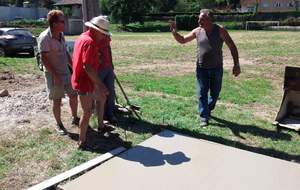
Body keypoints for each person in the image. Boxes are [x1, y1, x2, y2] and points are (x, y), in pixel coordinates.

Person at [169, 9, 241, 127]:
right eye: (199, 18)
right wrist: (174, 32)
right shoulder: (197, 31)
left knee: (215, 93)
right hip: (201, 68)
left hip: (216, 68)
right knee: (202, 93)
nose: (199, 21)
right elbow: (182, 40)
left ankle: (207, 108)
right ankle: (204, 117)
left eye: (201, 19)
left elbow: (232, 47)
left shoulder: (220, 30)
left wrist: (236, 64)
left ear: (210, 20)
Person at [71, 15, 115, 150]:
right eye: (103, 33)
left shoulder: (83, 36)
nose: (104, 37)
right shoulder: (89, 42)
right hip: (83, 81)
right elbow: (87, 67)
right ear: (96, 30)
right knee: (87, 111)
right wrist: (101, 84)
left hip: (86, 79)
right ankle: (82, 141)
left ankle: (101, 126)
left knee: (102, 98)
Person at [38, 10, 80, 135]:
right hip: (53, 74)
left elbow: (65, 52)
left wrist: (73, 67)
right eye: (62, 21)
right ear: (55, 23)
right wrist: (56, 76)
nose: (65, 24)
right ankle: (59, 124)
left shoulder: (61, 35)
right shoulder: (45, 37)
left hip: (65, 72)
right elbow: (44, 58)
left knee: (73, 95)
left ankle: (75, 118)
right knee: (57, 100)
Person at [97, 17, 117, 124]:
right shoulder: (93, 36)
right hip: (98, 69)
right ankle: (102, 115)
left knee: (110, 90)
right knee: (101, 92)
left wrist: (111, 62)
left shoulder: (107, 35)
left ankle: (110, 113)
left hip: (107, 66)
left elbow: (108, 48)